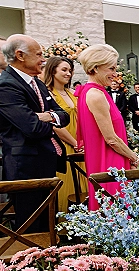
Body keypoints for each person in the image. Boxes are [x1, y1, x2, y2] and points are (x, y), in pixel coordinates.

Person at [0, 34, 69, 231]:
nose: (43, 59)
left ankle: (52, 258)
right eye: (39, 54)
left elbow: (64, 115)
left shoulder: (37, 82)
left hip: (46, 162)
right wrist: (46, 118)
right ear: (20, 55)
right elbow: (32, 128)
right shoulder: (6, 85)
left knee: (48, 222)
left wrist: (44, 115)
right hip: (25, 167)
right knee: (30, 225)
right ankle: (31, 261)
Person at [76, 44, 139, 210]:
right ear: (95, 68)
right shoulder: (96, 95)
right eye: (111, 68)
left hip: (110, 160)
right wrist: (133, 156)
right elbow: (110, 138)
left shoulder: (92, 92)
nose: (115, 74)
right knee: (115, 213)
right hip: (109, 163)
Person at [44, 56, 85, 212]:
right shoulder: (48, 93)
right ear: (53, 70)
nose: (68, 73)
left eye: (70, 70)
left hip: (80, 144)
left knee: (82, 183)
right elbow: (53, 124)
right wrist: (74, 143)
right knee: (66, 184)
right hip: (64, 144)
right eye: (64, 70)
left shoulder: (72, 93)